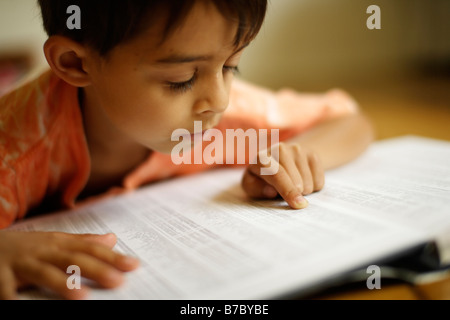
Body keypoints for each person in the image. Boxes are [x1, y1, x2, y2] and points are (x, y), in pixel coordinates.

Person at [0, 0, 374, 300]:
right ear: (76, 63)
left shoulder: (220, 115)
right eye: (182, 80)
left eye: (232, 66)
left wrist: (296, 154)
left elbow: (349, 119)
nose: (219, 100)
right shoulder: (16, 146)